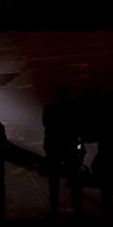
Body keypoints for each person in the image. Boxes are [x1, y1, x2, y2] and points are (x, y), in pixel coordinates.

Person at [42, 87, 86, 216]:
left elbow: (47, 126)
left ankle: (54, 207)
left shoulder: (49, 108)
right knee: (74, 177)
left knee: (54, 178)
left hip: (54, 146)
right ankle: (77, 207)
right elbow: (79, 129)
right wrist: (79, 148)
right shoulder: (74, 108)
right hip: (69, 146)